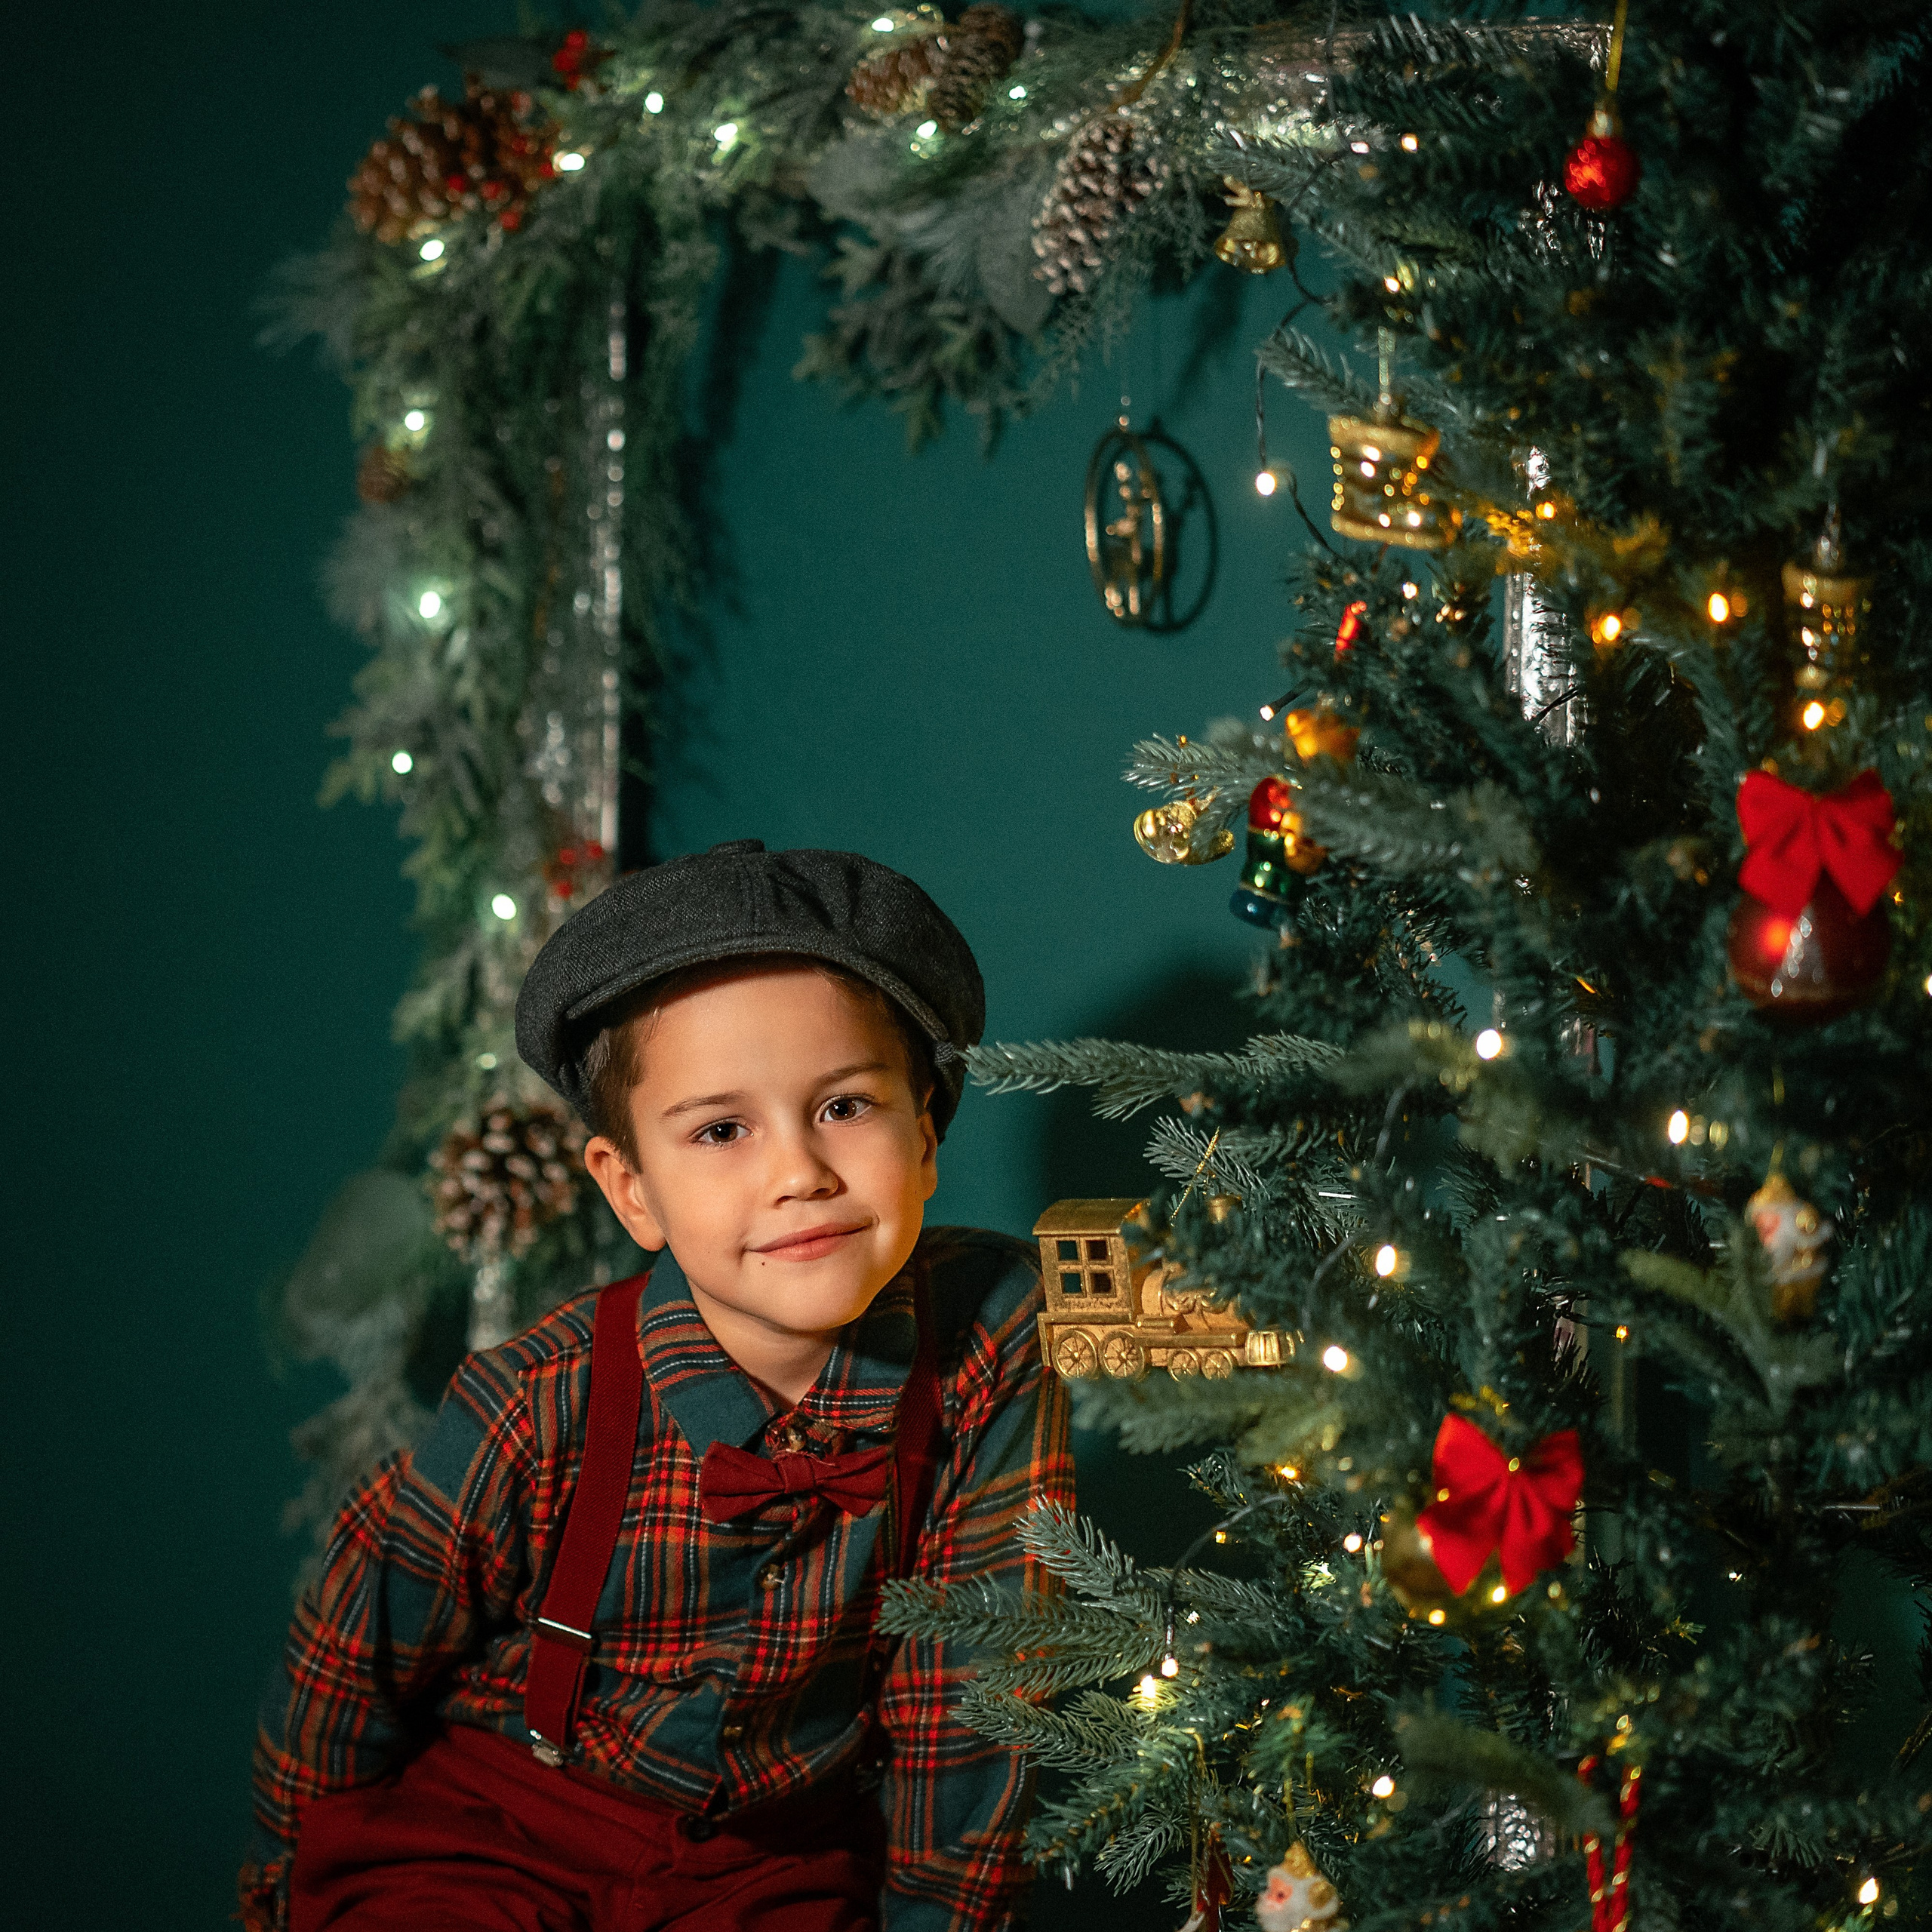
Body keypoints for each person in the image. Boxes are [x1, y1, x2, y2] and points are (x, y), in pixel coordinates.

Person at [242, 841, 1073, 1932]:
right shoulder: (538, 1400)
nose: (798, 1174)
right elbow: (355, 1659)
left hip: (772, 1859)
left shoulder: (992, 1333)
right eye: (723, 1130)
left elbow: (974, 1694)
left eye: (845, 1108)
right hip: (505, 1826)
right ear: (632, 1190)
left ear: (925, 1136)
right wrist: (281, 1897)